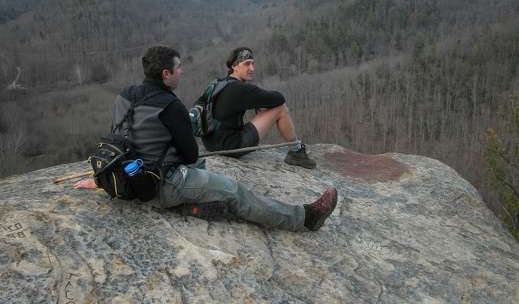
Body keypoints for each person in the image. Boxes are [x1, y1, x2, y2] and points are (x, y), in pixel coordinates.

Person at [74, 46, 337, 231]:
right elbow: (189, 156)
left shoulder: (125, 95)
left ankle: (190, 204)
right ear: (166, 74)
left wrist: (101, 179)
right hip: (162, 184)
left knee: (202, 172)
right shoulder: (169, 105)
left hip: (123, 177)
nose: (182, 72)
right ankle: (303, 218)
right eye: (178, 68)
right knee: (235, 192)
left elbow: (122, 140)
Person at [201, 47, 317, 169]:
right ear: (234, 66)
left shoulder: (219, 84)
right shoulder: (241, 89)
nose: (252, 68)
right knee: (281, 108)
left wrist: (255, 102)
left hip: (210, 144)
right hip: (230, 147)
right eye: (247, 64)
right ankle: (296, 152)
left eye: (252, 63)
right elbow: (279, 98)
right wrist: (259, 101)